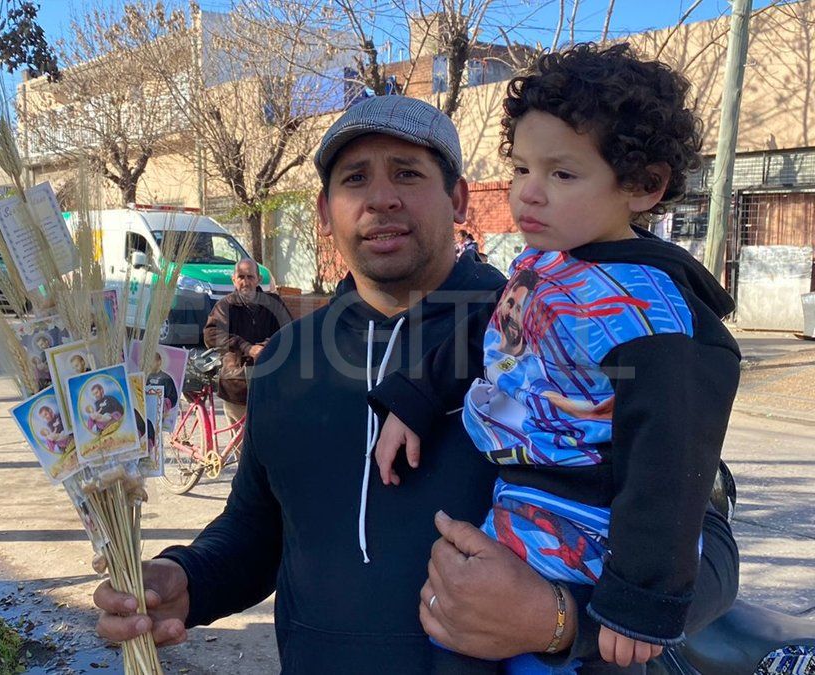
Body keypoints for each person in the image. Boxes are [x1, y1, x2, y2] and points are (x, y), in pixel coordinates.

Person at [92, 94, 738, 671]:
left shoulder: (539, 325)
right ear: (324, 211)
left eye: (407, 173)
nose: (381, 198)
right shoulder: (285, 360)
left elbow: (709, 549)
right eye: (354, 179)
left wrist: (560, 619)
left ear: (458, 199)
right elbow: (256, 535)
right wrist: (186, 578)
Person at [370, 44, 740, 671]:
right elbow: (484, 336)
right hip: (521, 509)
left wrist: (637, 602)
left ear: (644, 186)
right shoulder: (549, 263)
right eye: (521, 170)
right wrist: (413, 400)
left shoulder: (650, 313)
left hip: (592, 530)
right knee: (451, 637)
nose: (528, 195)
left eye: (562, 174)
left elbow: (671, 463)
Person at [201, 258, 292, 423]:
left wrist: (267, 346)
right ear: (234, 280)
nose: (245, 282)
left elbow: (289, 331)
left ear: (259, 279)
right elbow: (211, 334)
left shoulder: (274, 303)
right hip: (237, 382)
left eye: (250, 277)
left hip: (270, 380)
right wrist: (246, 347)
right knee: (240, 444)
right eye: (241, 277)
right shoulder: (224, 306)